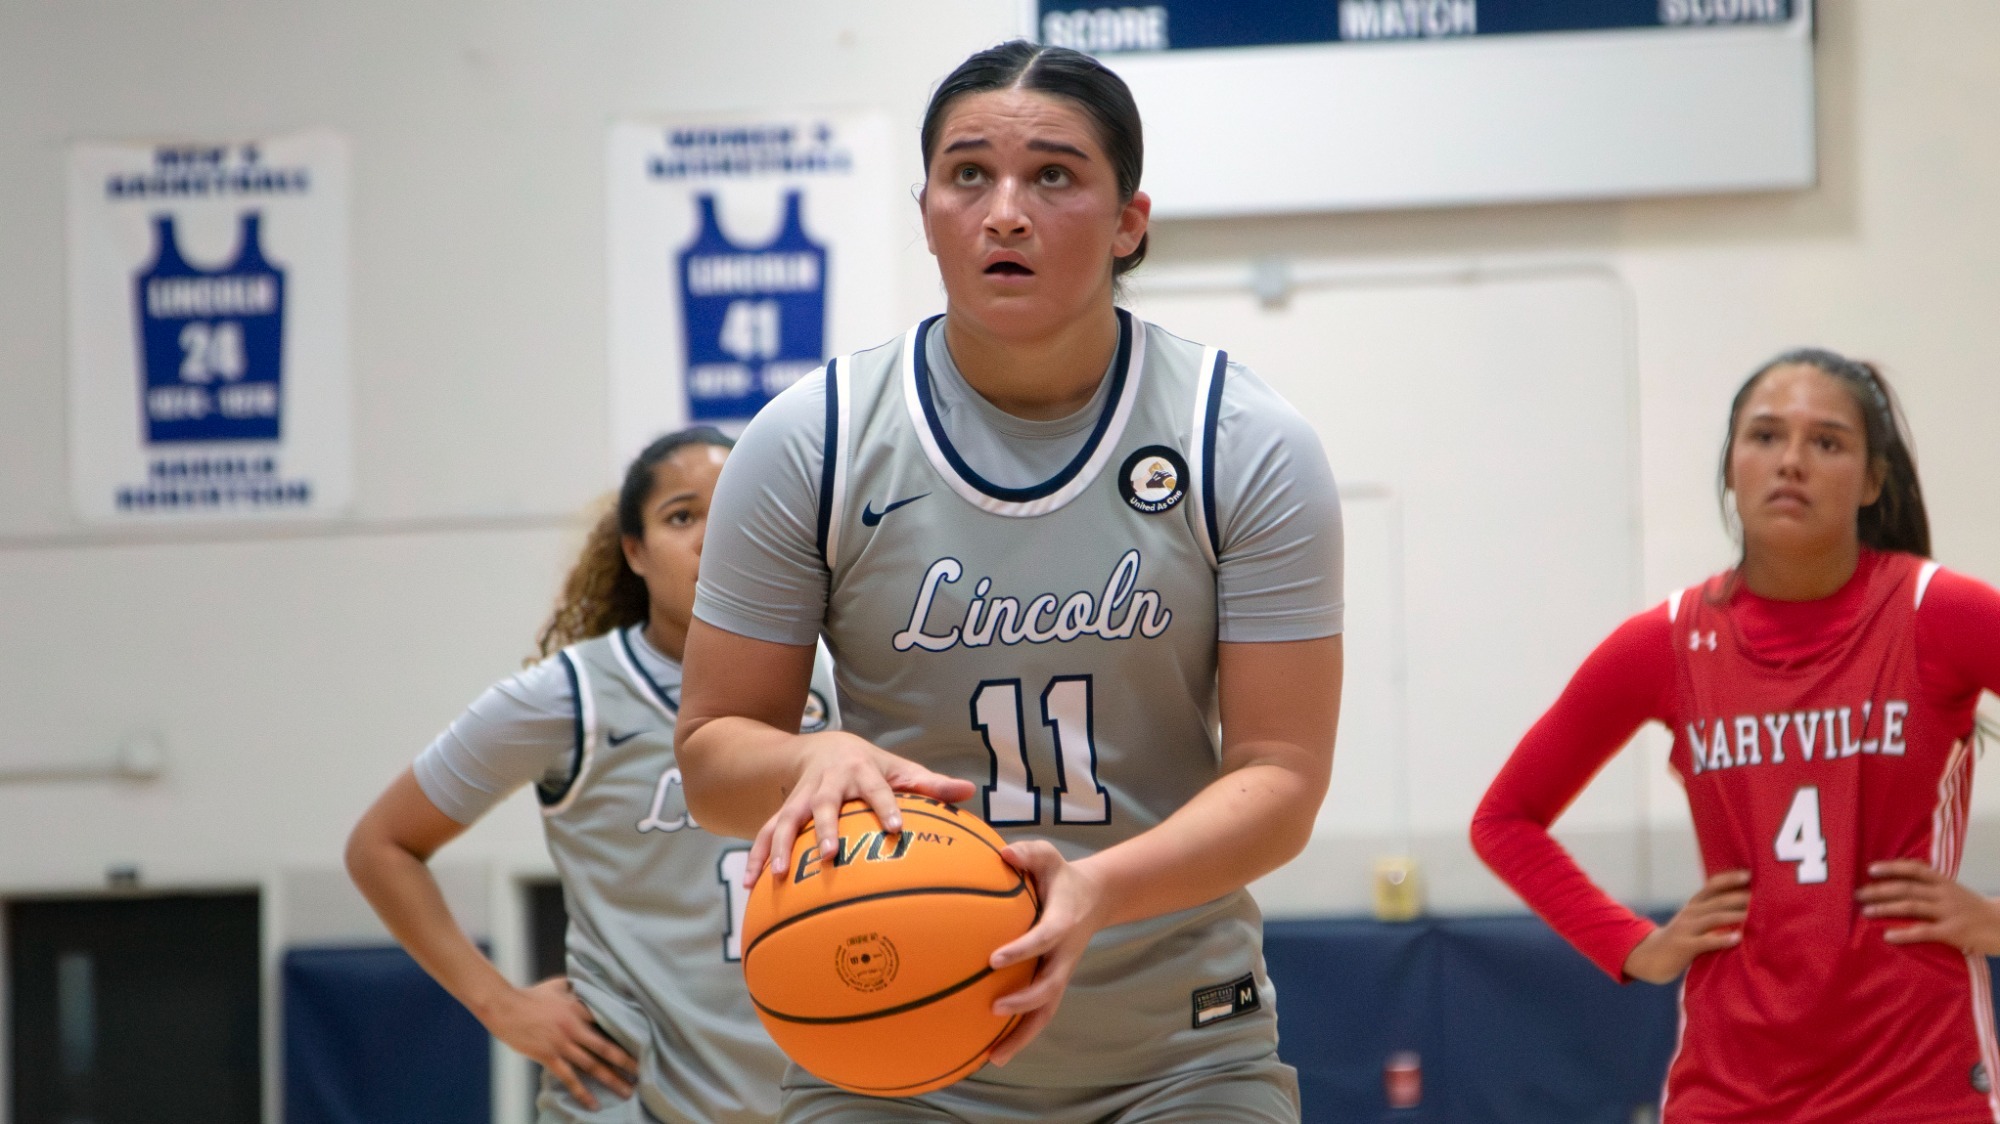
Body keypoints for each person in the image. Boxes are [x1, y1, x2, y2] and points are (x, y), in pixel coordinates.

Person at [674, 39, 1344, 1123]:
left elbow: (1279, 778)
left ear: (1129, 220)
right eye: (967, 173)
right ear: (927, 207)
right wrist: (817, 752)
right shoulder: (811, 440)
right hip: (883, 1041)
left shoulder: (1242, 440)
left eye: (1053, 175)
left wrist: (1095, 886)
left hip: (1176, 1050)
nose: (1004, 212)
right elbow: (711, 758)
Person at [1473, 349, 2000, 1121]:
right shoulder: (1668, 642)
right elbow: (1505, 822)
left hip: (1918, 1079)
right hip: (1732, 1086)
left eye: (1827, 442)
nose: (1792, 461)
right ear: (1729, 466)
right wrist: (1632, 945)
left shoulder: (1938, 612)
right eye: (1764, 437)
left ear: (1873, 480)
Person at [346, 427, 837, 1123]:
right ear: (632, 551)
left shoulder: (834, 674)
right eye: (682, 515)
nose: (711, 535)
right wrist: (501, 1004)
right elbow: (380, 846)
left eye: (734, 511)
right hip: (627, 1100)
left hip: (808, 1091)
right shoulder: (567, 697)